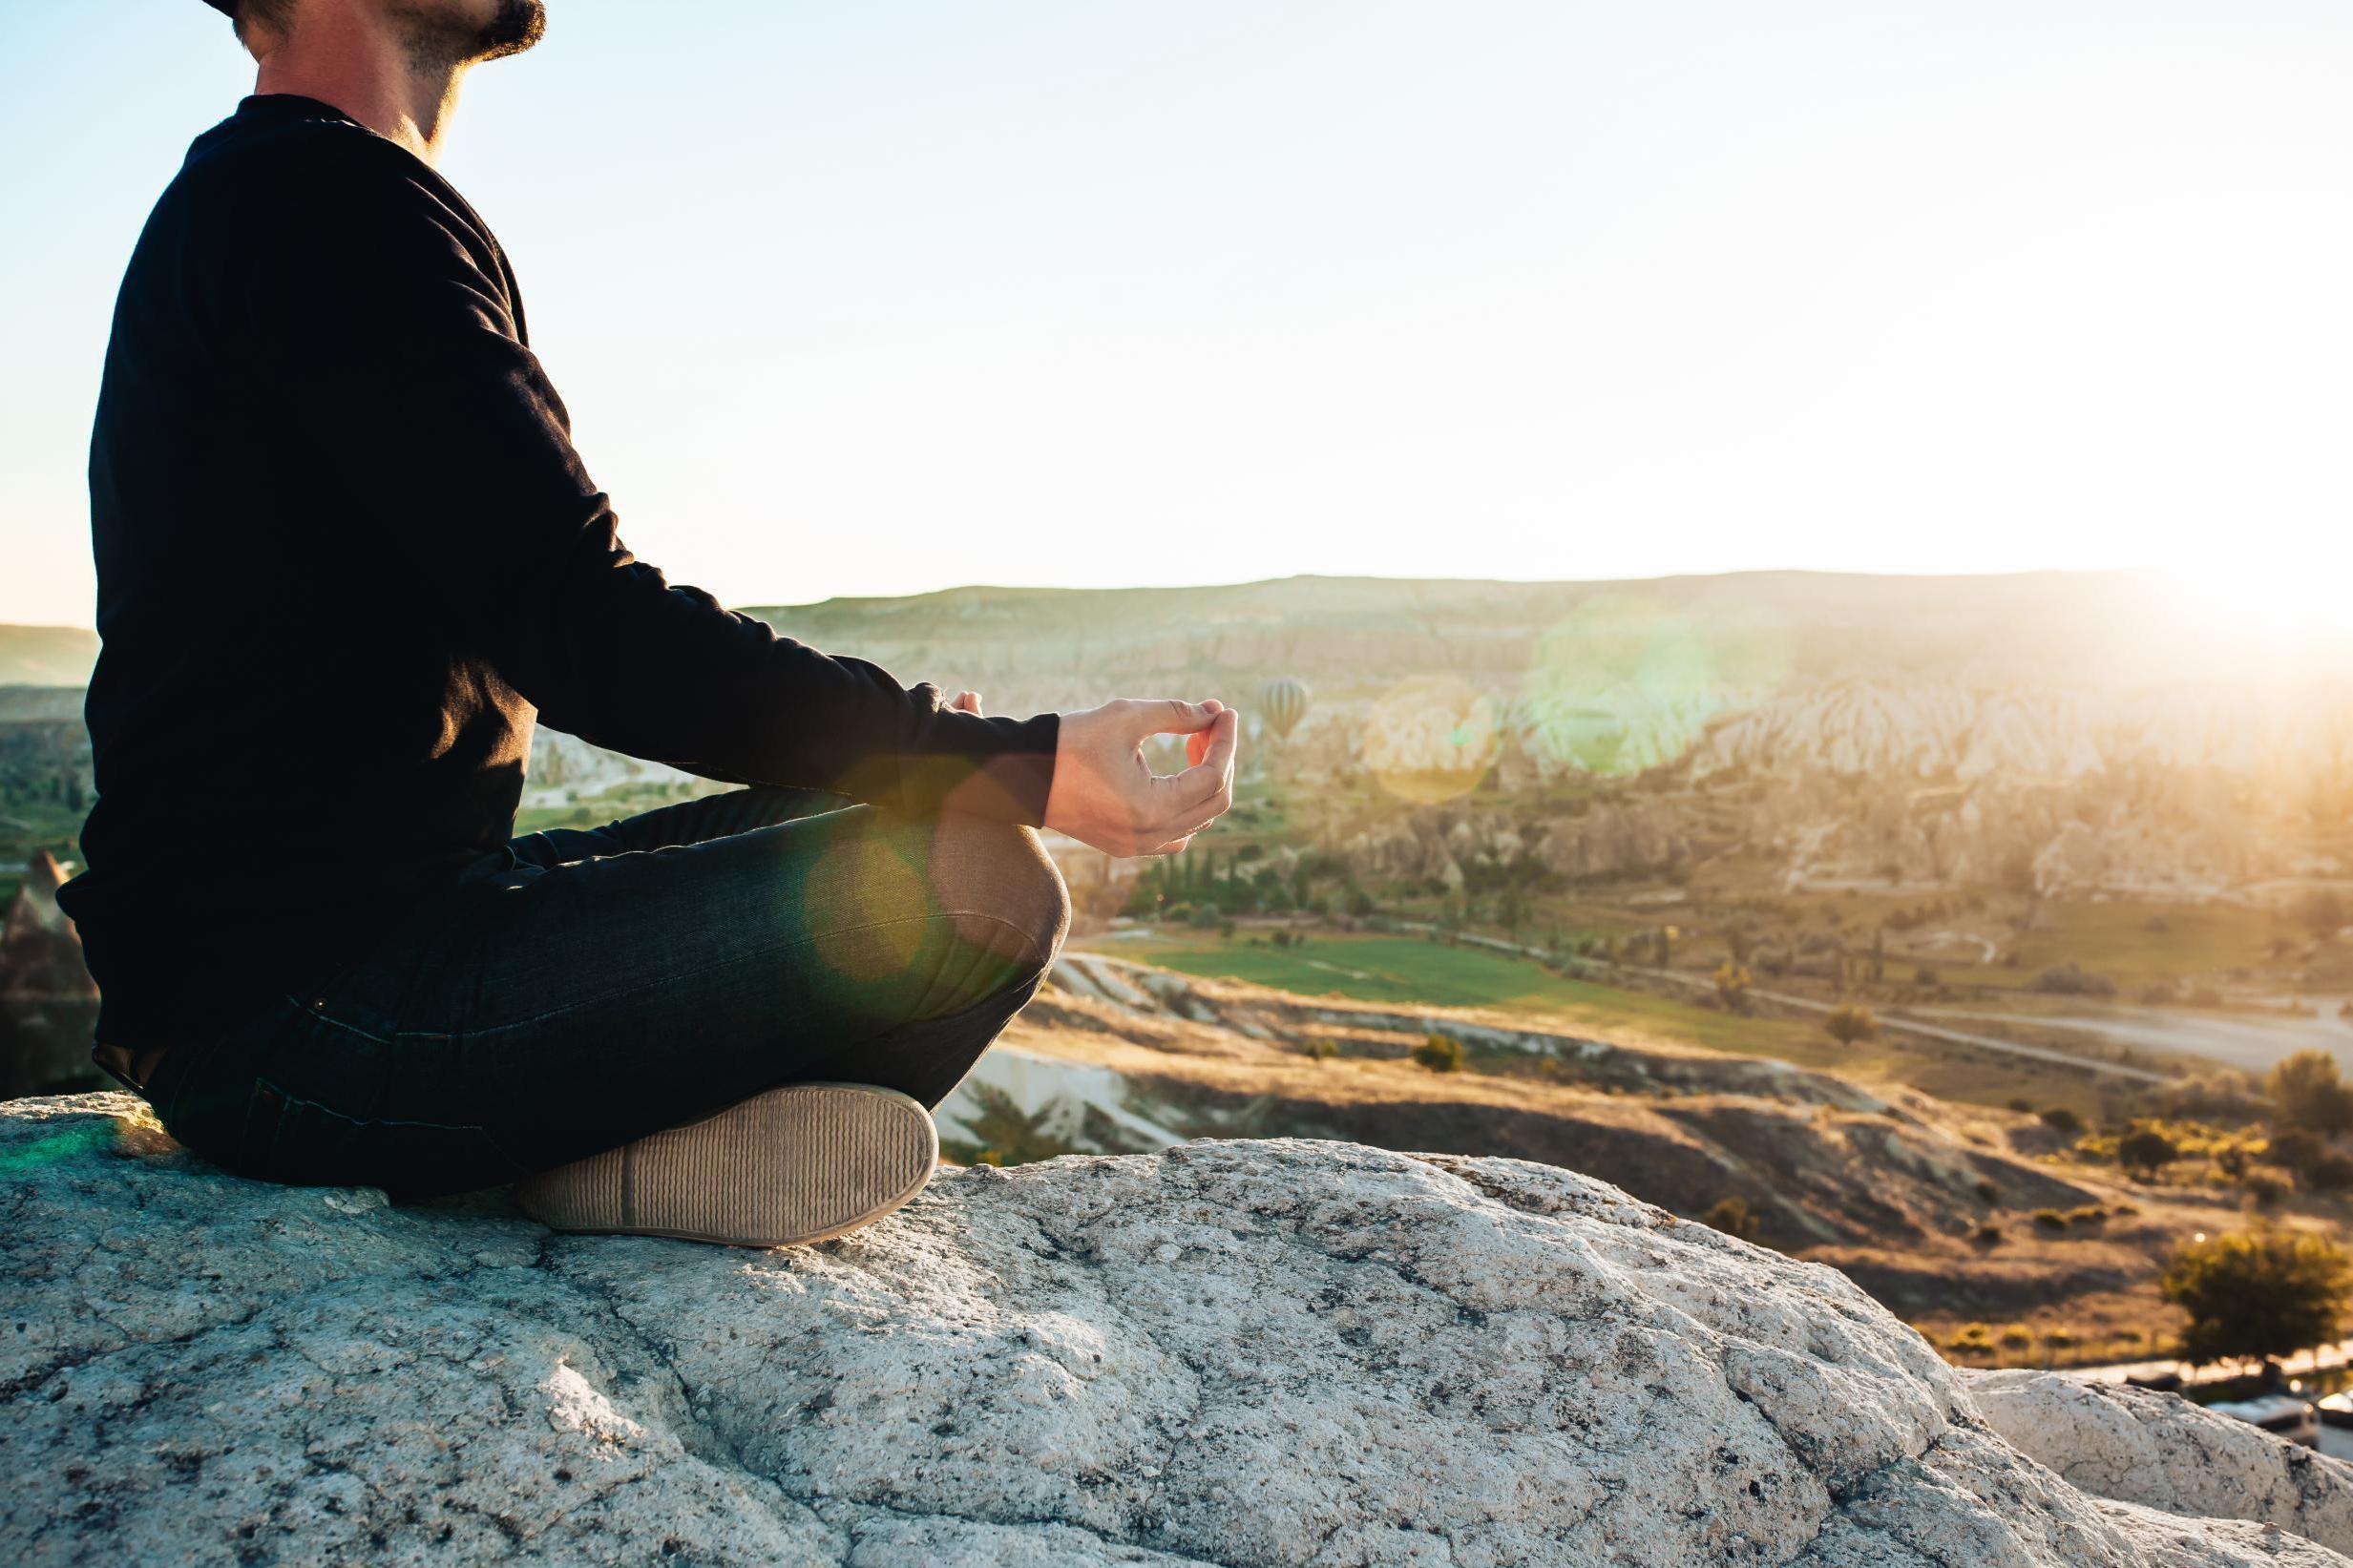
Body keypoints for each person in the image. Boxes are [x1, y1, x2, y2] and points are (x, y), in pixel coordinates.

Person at [62, 0, 1237, 1247]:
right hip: (300, 1015)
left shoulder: (291, 200)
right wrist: (1027, 760)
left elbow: (548, 612)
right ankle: (554, 1165)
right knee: (979, 882)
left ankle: (581, 1153)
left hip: (350, 955)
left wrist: (937, 758)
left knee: (927, 820)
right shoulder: (318, 205)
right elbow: (585, 627)